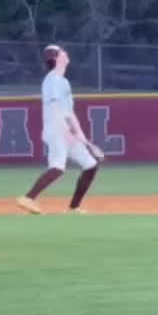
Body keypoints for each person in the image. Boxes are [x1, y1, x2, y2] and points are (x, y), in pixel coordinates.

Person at [16, 45, 104, 214]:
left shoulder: (63, 81)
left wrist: (84, 140)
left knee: (91, 165)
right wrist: (65, 131)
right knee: (57, 167)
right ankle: (28, 198)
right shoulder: (52, 80)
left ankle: (73, 207)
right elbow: (56, 107)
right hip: (56, 130)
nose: (66, 53)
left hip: (66, 131)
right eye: (62, 51)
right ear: (56, 57)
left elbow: (70, 114)